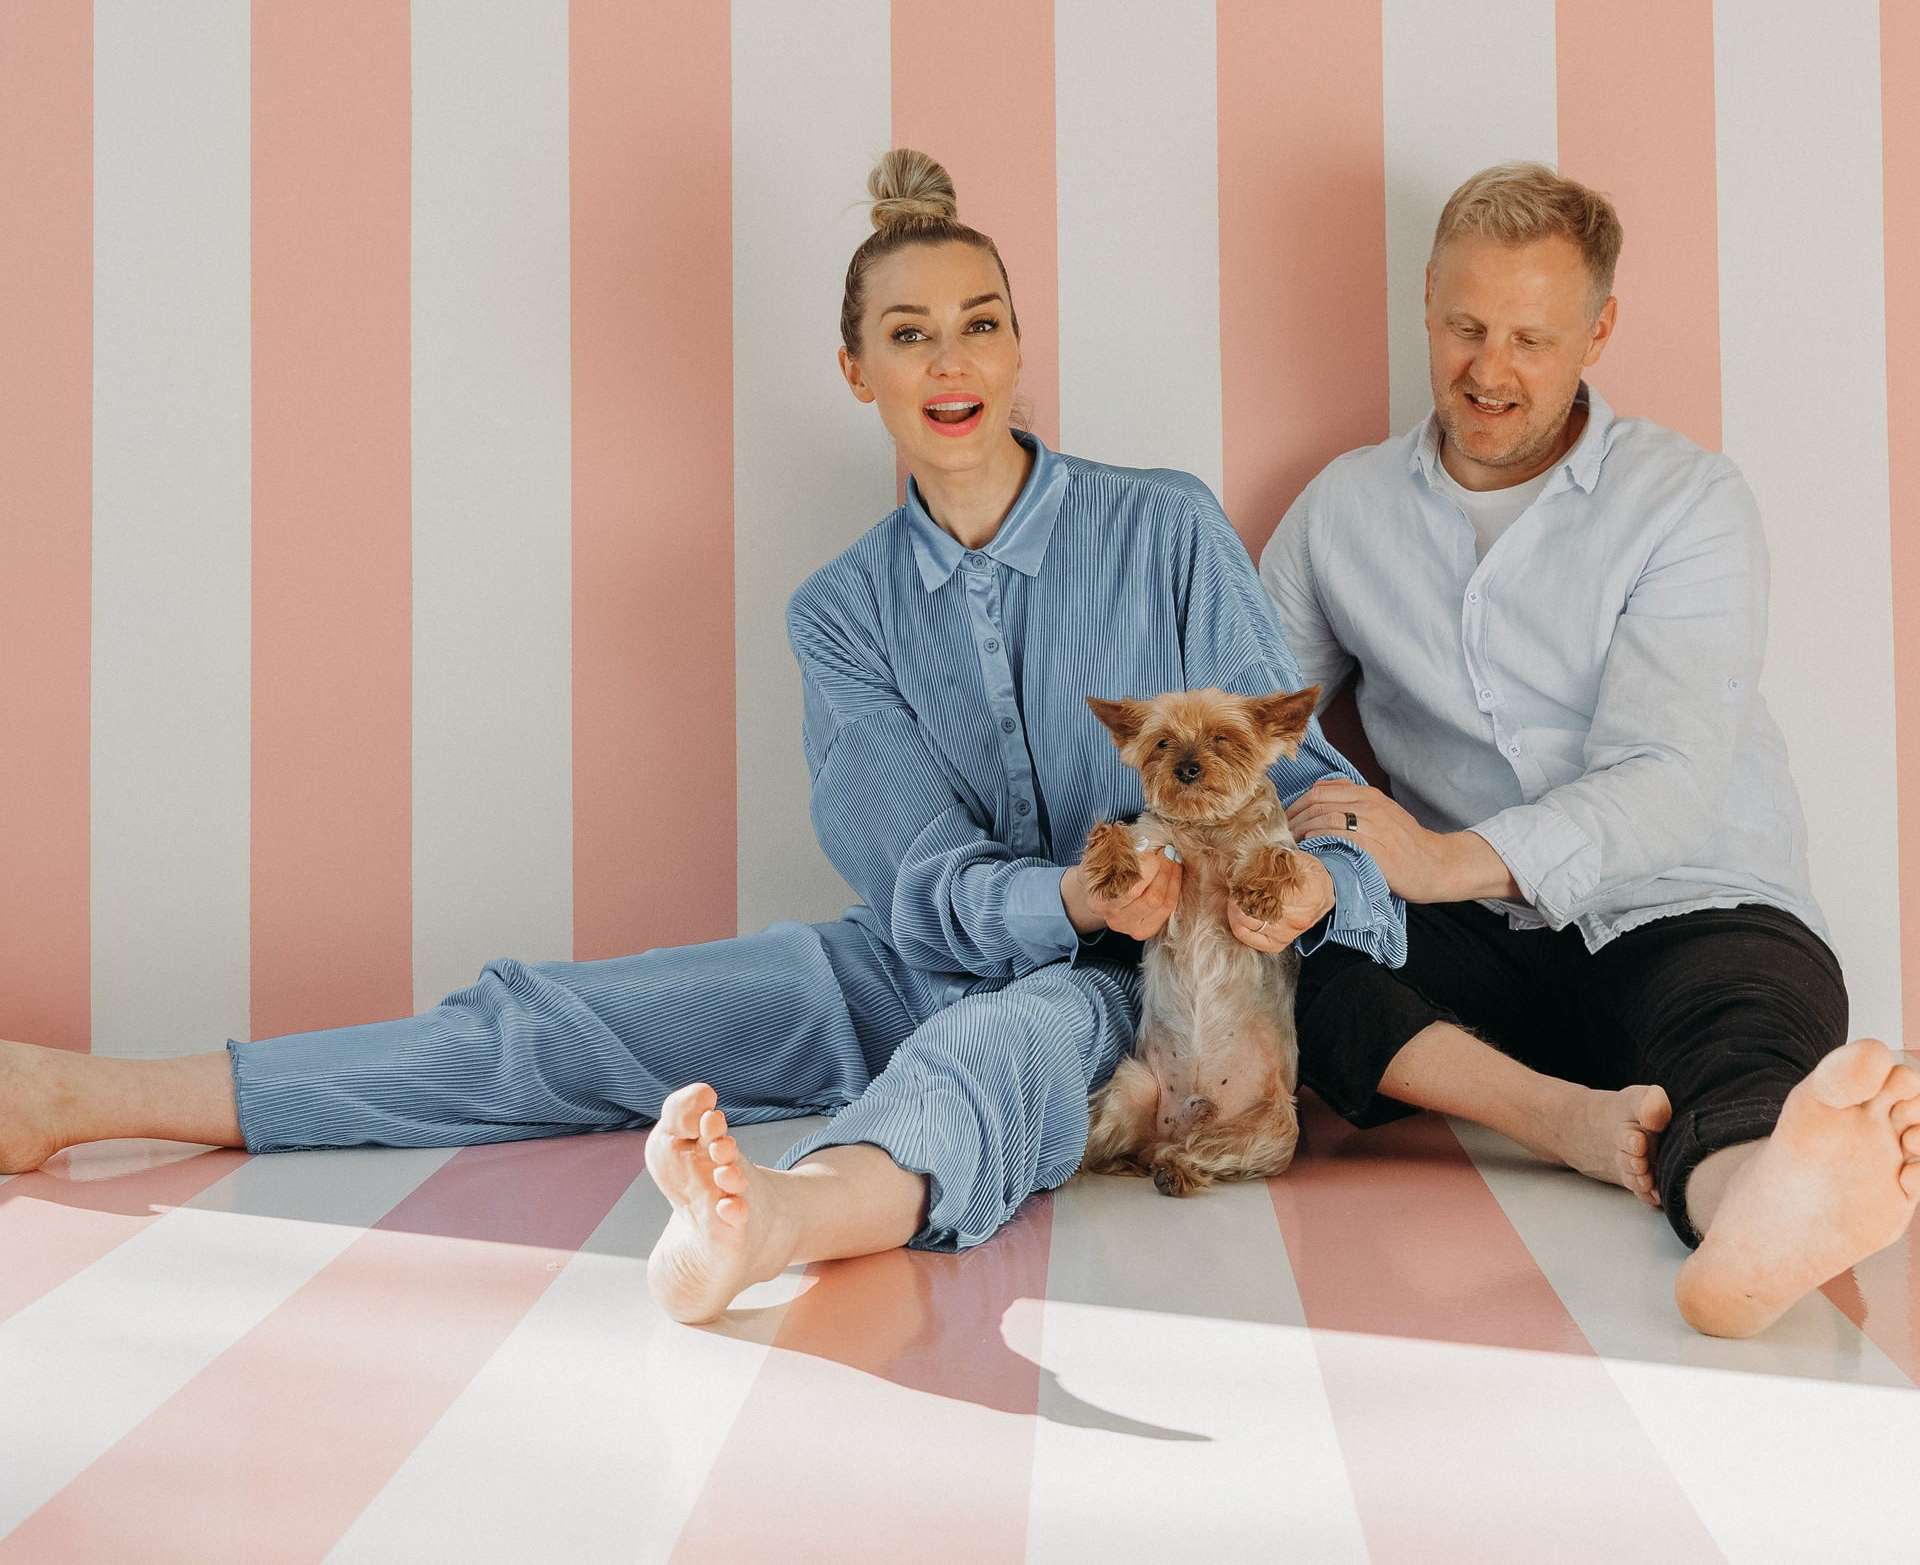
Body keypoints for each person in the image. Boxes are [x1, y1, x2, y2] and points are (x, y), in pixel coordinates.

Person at [0, 150, 1398, 1324]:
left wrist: (1308, 891)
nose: (950, 361)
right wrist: (1069, 893)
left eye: (980, 324)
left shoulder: (1164, 527)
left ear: (1020, 348)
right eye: (908, 333)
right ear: (856, 369)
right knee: (559, 1021)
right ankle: (77, 1095)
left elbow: (1310, 783)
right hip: (907, 960)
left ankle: (772, 1219)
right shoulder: (841, 613)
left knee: (1001, 1049)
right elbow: (917, 870)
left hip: (1142, 989)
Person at [1262, 160, 1920, 1340]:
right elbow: (1257, 728)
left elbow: (1668, 781)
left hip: (1695, 903)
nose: (1490, 369)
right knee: (1282, 941)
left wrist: (1437, 857)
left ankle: (1754, 1215)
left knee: (1747, 1058)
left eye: (1532, 337)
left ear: (1599, 331)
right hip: (1477, 953)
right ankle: (1565, 1122)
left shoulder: (1688, 500)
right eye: (1467, 326)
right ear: (1426, 302)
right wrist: (1317, 854)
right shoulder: (1338, 514)